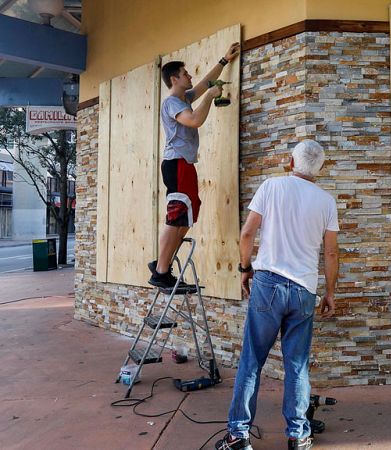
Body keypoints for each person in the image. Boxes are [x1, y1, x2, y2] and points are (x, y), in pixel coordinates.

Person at [215, 140, 339, 450]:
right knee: (296, 365)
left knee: (252, 360)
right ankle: (298, 436)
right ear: (320, 168)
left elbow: (246, 234)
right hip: (304, 291)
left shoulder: (272, 186)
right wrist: (330, 293)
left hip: (268, 283)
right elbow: (332, 253)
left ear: (290, 161)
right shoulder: (326, 201)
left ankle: (238, 436)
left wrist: (245, 269)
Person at [148, 42, 241, 288]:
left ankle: (162, 262)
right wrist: (210, 97)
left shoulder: (185, 97)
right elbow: (195, 120)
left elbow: (206, 82)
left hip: (184, 164)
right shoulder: (172, 103)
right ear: (174, 78)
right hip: (176, 164)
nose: (190, 76)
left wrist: (224, 60)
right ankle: (161, 272)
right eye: (186, 73)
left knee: (188, 214)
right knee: (177, 216)